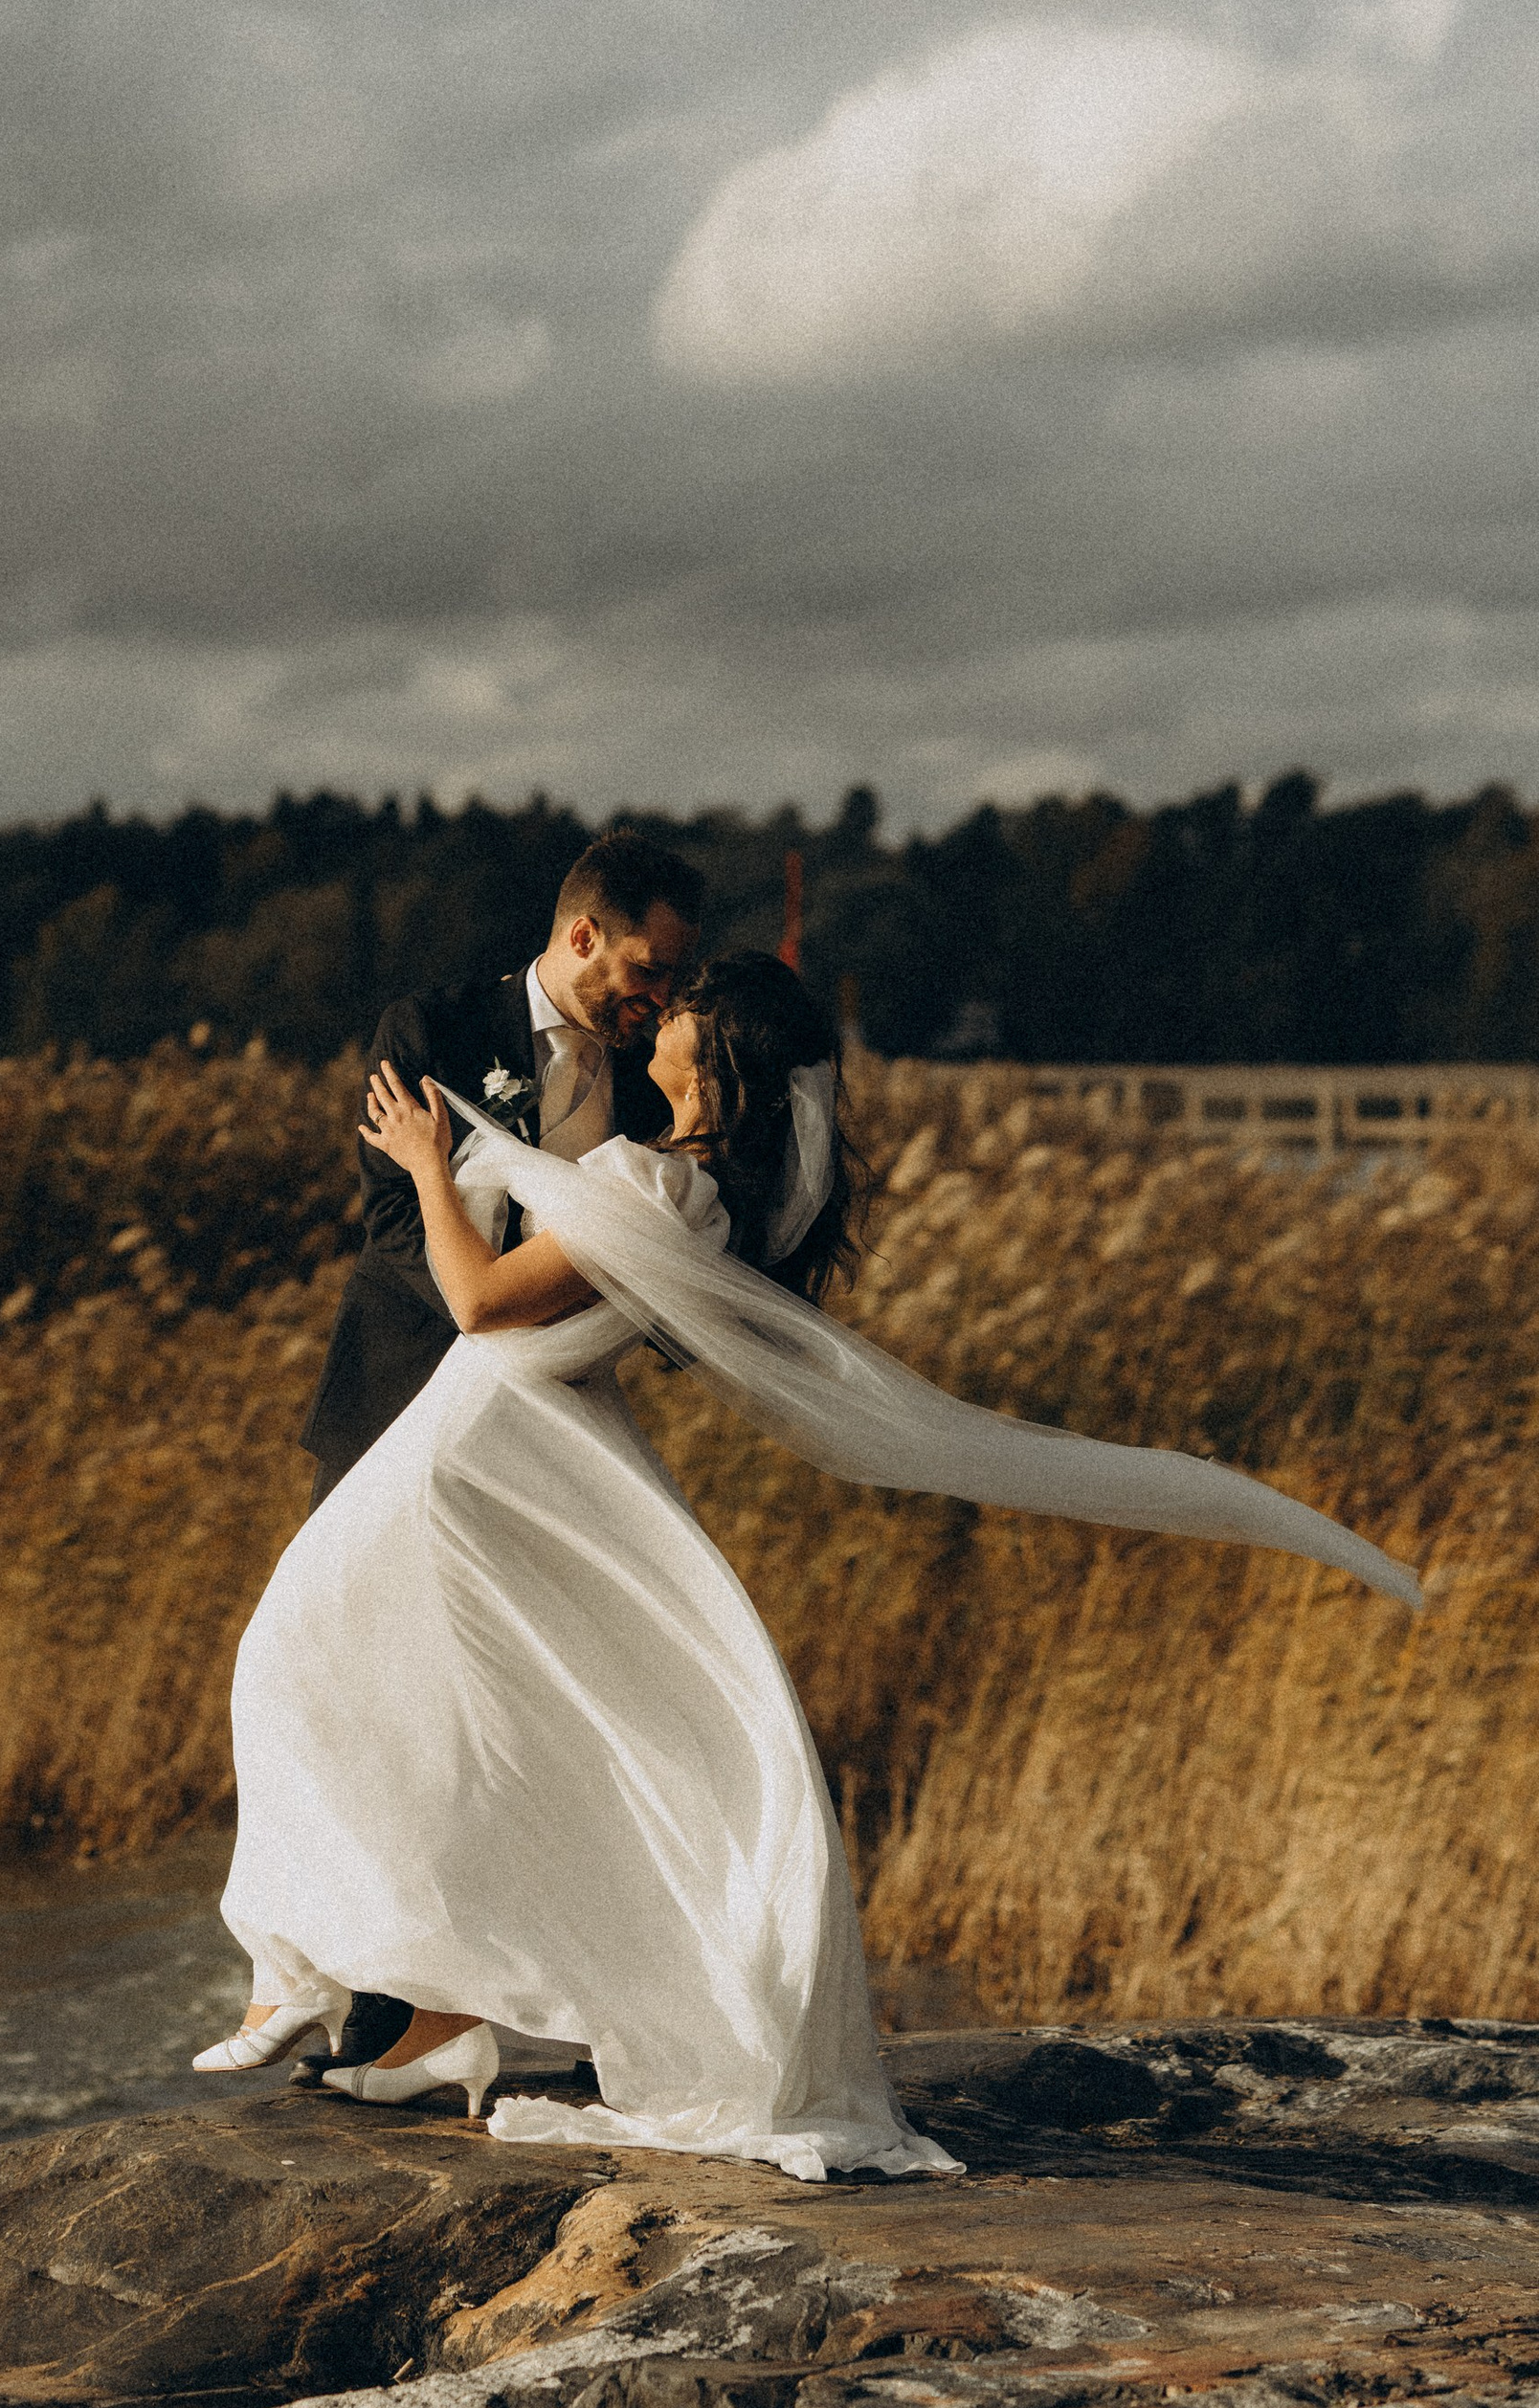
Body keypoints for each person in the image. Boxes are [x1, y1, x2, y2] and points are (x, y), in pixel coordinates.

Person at [194, 954, 1422, 2175]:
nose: (658, 1021)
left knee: (294, 1658)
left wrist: (426, 1166)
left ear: (711, 1056)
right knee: (435, 1702)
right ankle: (416, 2009)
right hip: (502, 1436)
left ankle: (315, 1974)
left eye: (680, 1015)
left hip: (481, 1447)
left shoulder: (661, 1182)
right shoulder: (681, 1183)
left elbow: (476, 1303)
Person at [296, 830, 703, 1504]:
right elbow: (392, 1214)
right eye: (649, 969)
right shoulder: (434, 1028)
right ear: (583, 938)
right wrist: (501, 1317)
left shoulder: (649, 1076)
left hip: (550, 1426)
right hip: (400, 1395)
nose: (662, 997)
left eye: (673, 977)